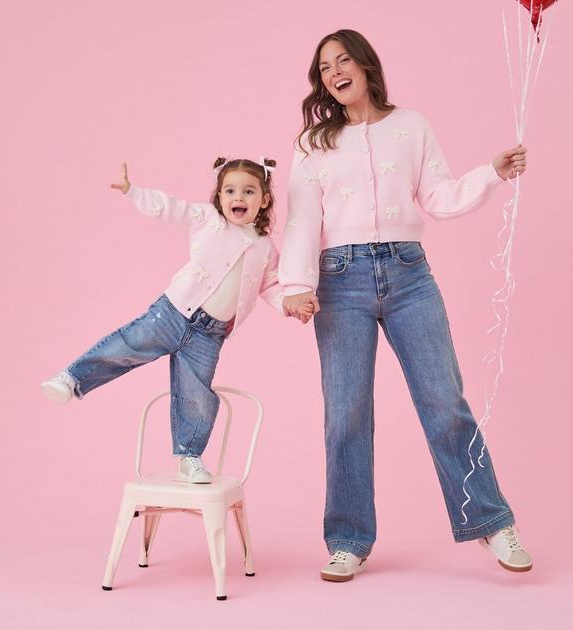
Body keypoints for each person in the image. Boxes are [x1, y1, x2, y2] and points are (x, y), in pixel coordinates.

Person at [280, 29, 531, 581]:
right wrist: (294, 284)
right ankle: (348, 538)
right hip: (339, 279)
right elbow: (301, 219)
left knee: (444, 401)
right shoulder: (313, 143)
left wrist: (492, 172)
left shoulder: (410, 126)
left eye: (343, 60)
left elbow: (438, 197)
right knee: (345, 412)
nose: (335, 73)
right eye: (324, 69)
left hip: (408, 272)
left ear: (366, 64)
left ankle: (490, 520)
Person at [41, 157, 314, 482]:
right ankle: (71, 378)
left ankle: (190, 456)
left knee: (196, 392)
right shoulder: (209, 219)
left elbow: (269, 285)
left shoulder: (265, 248)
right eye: (230, 191)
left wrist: (289, 304)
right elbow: (171, 208)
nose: (238, 198)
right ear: (220, 196)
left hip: (210, 335)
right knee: (128, 344)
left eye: (248, 191)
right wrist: (133, 192)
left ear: (264, 199)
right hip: (174, 311)